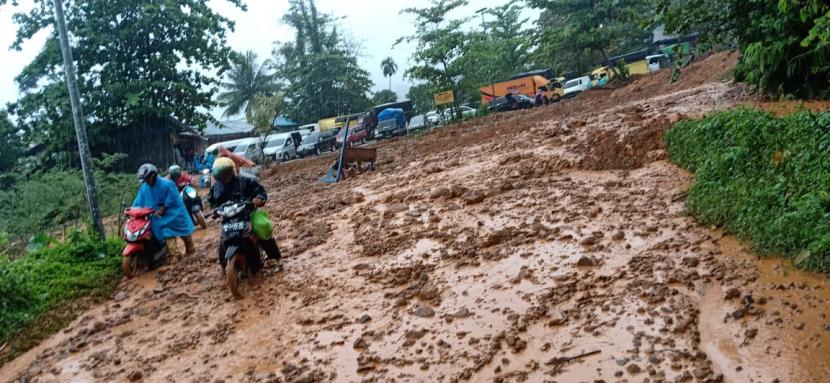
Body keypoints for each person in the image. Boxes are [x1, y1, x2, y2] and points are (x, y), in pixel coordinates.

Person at [208, 157, 282, 268]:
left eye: (227, 172)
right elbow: (212, 203)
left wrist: (258, 199)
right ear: (217, 175)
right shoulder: (216, 188)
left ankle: (274, 257)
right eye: (222, 173)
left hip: (248, 213)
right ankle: (225, 266)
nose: (225, 176)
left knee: (263, 226)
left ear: (231, 171)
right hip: (229, 218)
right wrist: (213, 212)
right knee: (222, 240)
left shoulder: (244, 181)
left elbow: (260, 192)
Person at [133, 163, 196, 258]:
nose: (146, 181)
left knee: (187, 238)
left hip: (176, 215)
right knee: (170, 243)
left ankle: (192, 255)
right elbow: (138, 202)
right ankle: (177, 260)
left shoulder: (167, 184)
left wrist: (164, 207)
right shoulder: (144, 188)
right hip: (162, 220)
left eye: (147, 178)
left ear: (153, 175)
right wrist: (132, 210)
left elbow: (173, 198)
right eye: (144, 179)